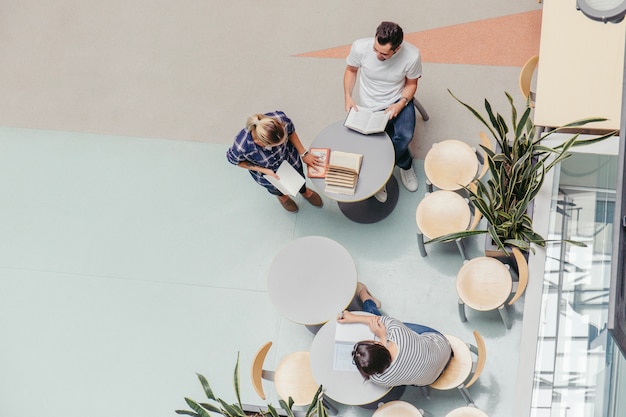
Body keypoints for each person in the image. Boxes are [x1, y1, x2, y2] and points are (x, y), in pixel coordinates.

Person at [343, 21, 422, 203]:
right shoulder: (361, 47)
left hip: (398, 100)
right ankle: (381, 175)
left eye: (384, 53)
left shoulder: (412, 56)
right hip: (369, 106)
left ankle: (404, 165)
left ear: (397, 49)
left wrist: (400, 104)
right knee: (369, 143)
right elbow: (351, 70)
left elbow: (411, 84)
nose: (378, 55)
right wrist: (348, 95)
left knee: (404, 136)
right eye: (376, 49)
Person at [337, 282, 452, 387]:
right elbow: (377, 321)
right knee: (381, 322)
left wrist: (382, 337)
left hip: (430, 379)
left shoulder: (379, 380)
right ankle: (365, 295)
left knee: (381, 325)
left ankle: (369, 300)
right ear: (377, 343)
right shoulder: (398, 333)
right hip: (443, 347)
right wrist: (353, 318)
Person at [226, 111, 324, 213]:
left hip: (290, 160)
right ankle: (283, 197)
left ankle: (304, 191)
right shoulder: (241, 147)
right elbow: (234, 161)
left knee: (299, 178)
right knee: (275, 188)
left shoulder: (280, 119)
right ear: (261, 143)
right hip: (267, 175)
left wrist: (304, 153)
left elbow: (291, 132)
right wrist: (262, 170)